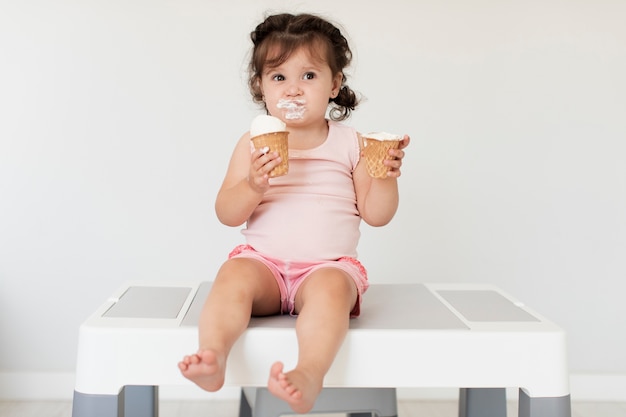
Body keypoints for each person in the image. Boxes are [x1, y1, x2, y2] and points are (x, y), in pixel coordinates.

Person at [178, 12, 410, 413]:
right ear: (260, 87)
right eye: (279, 77)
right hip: (263, 265)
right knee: (233, 275)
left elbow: (376, 214)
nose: (294, 90)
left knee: (331, 292)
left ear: (334, 84)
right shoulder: (252, 144)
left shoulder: (350, 144)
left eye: (309, 76)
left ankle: (309, 373)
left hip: (326, 267)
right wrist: (252, 186)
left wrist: (386, 177)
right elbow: (227, 213)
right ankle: (213, 355)